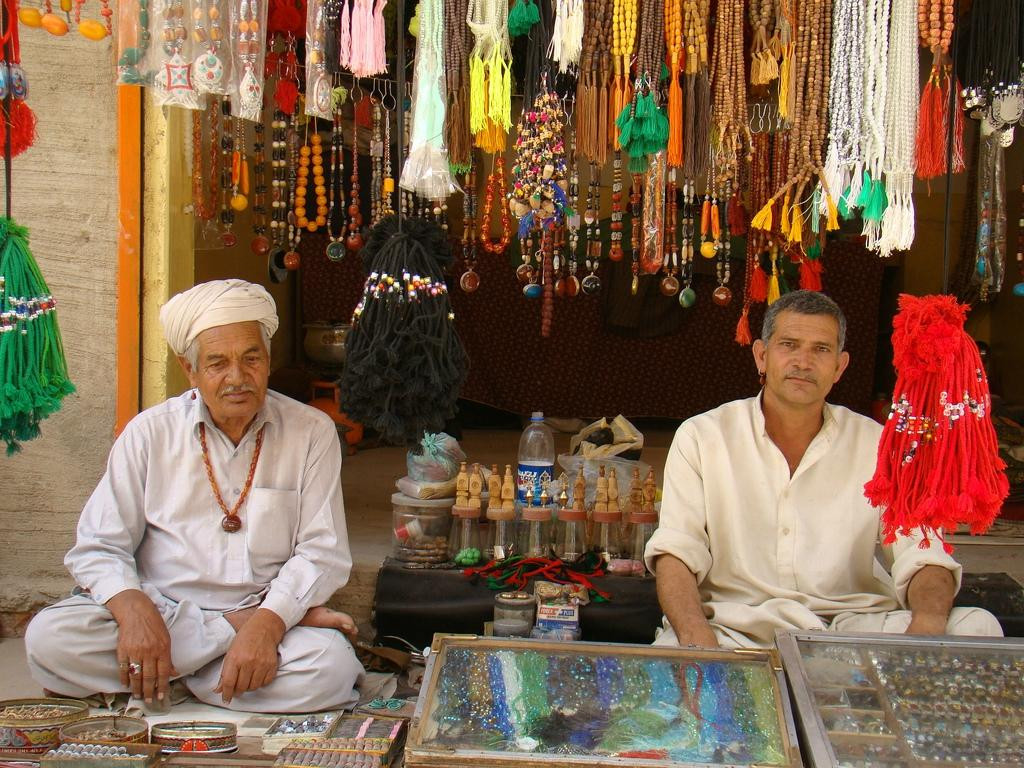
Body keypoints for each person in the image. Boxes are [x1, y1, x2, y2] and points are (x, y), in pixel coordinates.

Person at [25, 279, 365, 712]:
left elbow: (323, 553)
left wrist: (268, 623)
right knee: (49, 640)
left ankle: (165, 677)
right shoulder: (150, 433)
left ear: (268, 360)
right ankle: (218, 674)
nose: (237, 378)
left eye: (251, 359)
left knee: (328, 670)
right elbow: (98, 546)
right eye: (218, 363)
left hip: (261, 611)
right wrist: (132, 610)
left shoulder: (311, 431)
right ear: (190, 370)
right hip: (160, 612)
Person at [644, 290, 1002, 649]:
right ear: (761, 356)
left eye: (821, 349)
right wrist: (696, 637)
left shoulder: (879, 444)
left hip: (851, 627)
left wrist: (927, 627)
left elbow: (923, 552)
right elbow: (677, 551)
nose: (803, 361)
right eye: (789, 344)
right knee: (673, 650)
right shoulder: (703, 436)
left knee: (978, 626)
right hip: (739, 627)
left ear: (839, 367)